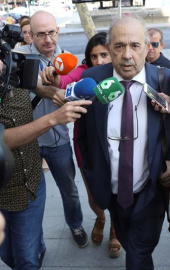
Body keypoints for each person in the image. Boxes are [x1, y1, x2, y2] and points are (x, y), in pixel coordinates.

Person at [77, 15, 170, 270]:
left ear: (147, 47)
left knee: (139, 253)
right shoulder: (93, 80)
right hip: (111, 192)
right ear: (108, 49)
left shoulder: (166, 81)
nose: (127, 55)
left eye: (135, 46)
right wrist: (92, 172)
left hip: (150, 191)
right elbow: (82, 133)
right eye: (119, 46)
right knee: (130, 243)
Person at [0, 61, 91, 268]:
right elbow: (3, 139)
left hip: (31, 184)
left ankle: (37, 249)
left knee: (27, 260)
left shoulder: (14, 67)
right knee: (7, 255)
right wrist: (53, 119)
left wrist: (63, 95)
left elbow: (47, 91)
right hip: (2, 192)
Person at [41, 32, 122, 258]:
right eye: (94, 56)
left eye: (104, 55)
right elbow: (65, 81)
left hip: (117, 146)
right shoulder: (85, 72)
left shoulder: (123, 73)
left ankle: (115, 229)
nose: (99, 61)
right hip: (87, 143)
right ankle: (100, 217)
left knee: (118, 194)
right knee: (94, 195)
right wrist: (54, 79)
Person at [17, 10, 89, 251]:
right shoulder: (19, 58)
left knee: (69, 189)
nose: (47, 39)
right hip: (26, 139)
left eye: (51, 33)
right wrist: (52, 91)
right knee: (30, 198)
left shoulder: (70, 61)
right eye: (40, 34)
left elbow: (75, 96)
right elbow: (31, 87)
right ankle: (35, 242)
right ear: (30, 35)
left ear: (57, 31)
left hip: (58, 141)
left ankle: (76, 223)